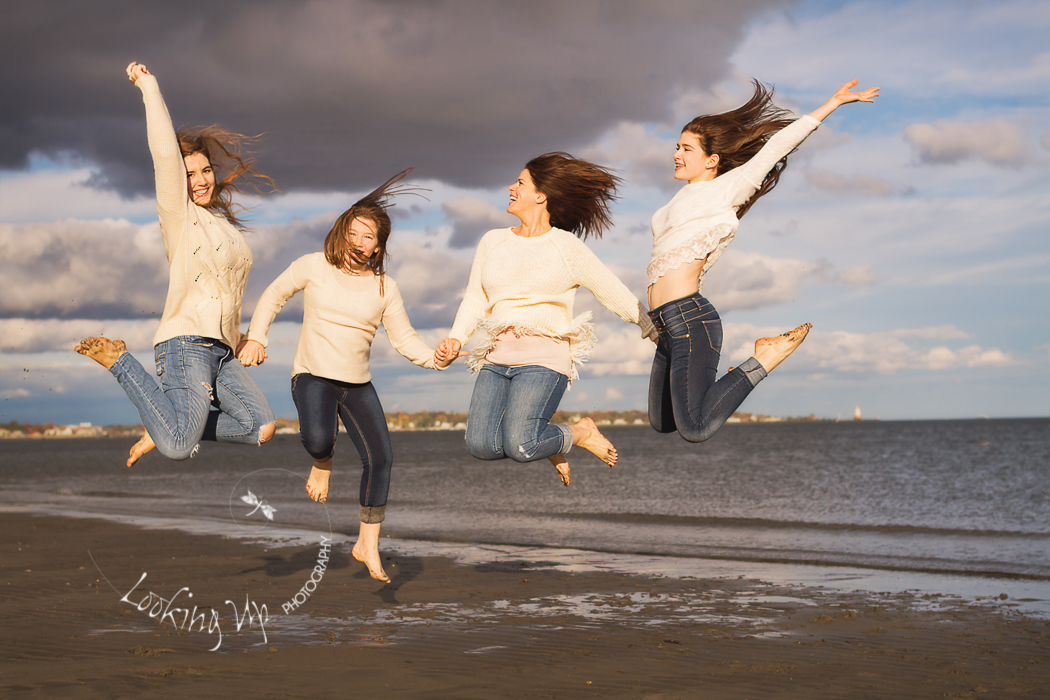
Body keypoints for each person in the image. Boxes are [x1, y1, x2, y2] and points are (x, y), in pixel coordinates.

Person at [238, 170, 457, 582]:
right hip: (313, 377)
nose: (360, 243)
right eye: (354, 234)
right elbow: (273, 295)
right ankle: (323, 462)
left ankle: (366, 544)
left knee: (381, 459)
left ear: (379, 247)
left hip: (357, 384)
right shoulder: (314, 266)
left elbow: (406, 341)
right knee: (318, 439)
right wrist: (256, 337)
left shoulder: (384, 288)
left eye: (369, 238)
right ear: (342, 233)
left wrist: (438, 358)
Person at [646, 79, 879, 442]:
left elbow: (776, 146)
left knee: (696, 428)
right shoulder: (673, 203)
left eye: (686, 149)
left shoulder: (728, 188)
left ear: (712, 160)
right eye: (677, 146)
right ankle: (756, 360)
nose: (676, 154)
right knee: (663, 422)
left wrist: (832, 103)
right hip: (665, 324)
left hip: (690, 318)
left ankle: (766, 357)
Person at [76, 62, 277, 465]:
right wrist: (149, 87)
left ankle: (163, 422)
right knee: (178, 447)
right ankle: (120, 362)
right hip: (184, 344)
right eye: (190, 175)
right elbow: (165, 154)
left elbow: (227, 292)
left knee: (260, 427)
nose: (200, 180)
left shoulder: (224, 226)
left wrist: (242, 336)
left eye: (205, 171)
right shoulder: (179, 215)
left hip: (222, 352)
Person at [436, 153, 657, 487]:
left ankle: (579, 433)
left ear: (541, 195)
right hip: (496, 358)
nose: (511, 187)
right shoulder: (492, 241)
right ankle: (550, 440)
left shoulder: (566, 247)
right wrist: (456, 338)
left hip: (544, 359)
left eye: (520, 183)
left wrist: (653, 329)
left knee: (522, 446)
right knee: (480, 445)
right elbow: (475, 297)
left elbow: (612, 290)